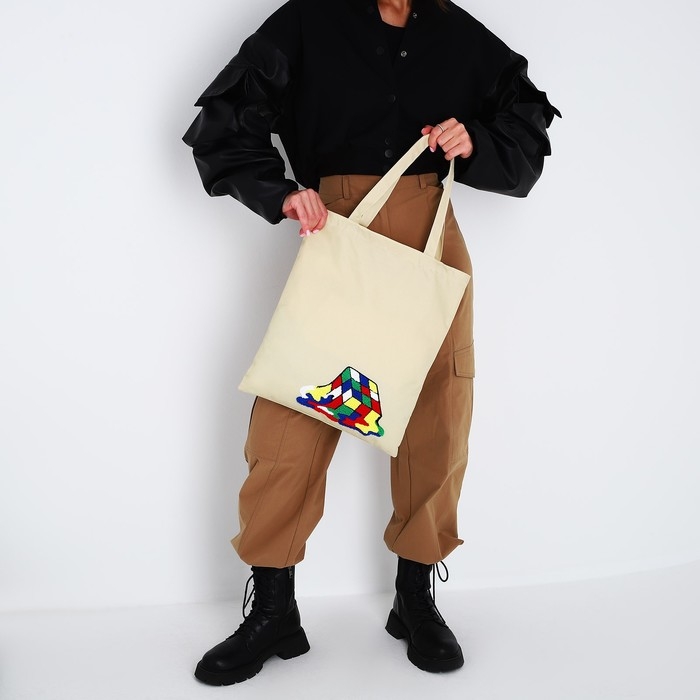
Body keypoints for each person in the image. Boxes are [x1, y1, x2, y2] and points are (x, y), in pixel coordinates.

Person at [182, 0, 559, 685]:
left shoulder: (458, 34)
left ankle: (415, 600)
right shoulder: (309, 21)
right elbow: (226, 117)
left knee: (437, 420)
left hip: (431, 235)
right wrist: (280, 192)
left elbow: (527, 126)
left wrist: (474, 139)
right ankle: (273, 609)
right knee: (292, 422)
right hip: (338, 232)